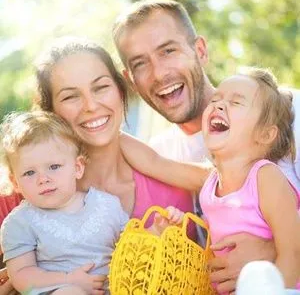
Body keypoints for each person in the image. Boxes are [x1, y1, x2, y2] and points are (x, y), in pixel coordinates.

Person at [112, 0, 300, 292]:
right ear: (131, 81)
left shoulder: (287, 111)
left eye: (168, 51)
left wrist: (269, 249)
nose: (160, 73)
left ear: (200, 50)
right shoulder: (165, 157)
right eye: (140, 63)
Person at [0, 38, 199, 294]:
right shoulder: (17, 200)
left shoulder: (169, 194)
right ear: (49, 112)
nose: (91, 106)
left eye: (101, 87)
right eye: (71, 96)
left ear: (120, 90)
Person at [0, 110, 184, 295]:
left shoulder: (106, 205)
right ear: (15, 182)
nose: (43, 179)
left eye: (54, 167)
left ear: (77, 168)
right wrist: (68, 279)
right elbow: (22, 277)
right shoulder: (20, 222)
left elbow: (133, 247)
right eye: (29, 173)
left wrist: (157, 230)